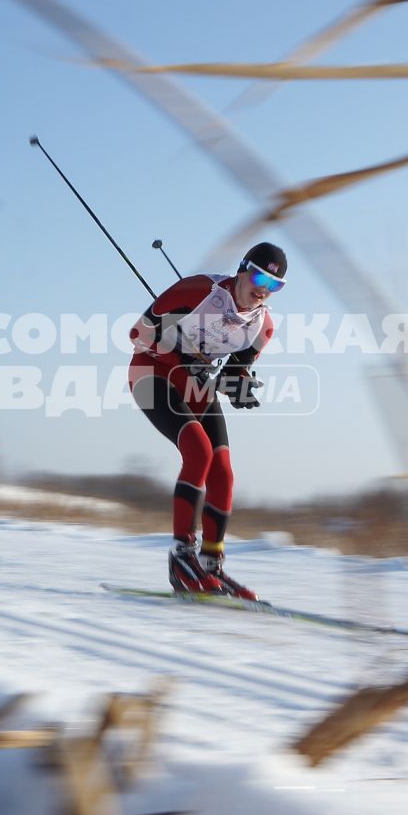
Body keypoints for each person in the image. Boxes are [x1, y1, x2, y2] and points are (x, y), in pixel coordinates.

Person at [127, 241, 286, 600]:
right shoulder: (199, 291)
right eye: (260, 277)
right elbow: (137, 336)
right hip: (153, 374)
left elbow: (233, 372)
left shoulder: (263, 327)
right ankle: (181, 555)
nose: (263, 289)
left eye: (275, 286)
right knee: (198, 452)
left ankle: (211, 562)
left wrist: (239, 386)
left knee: (224, 471)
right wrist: (179, 348)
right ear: (243, 269)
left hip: (195, 385)